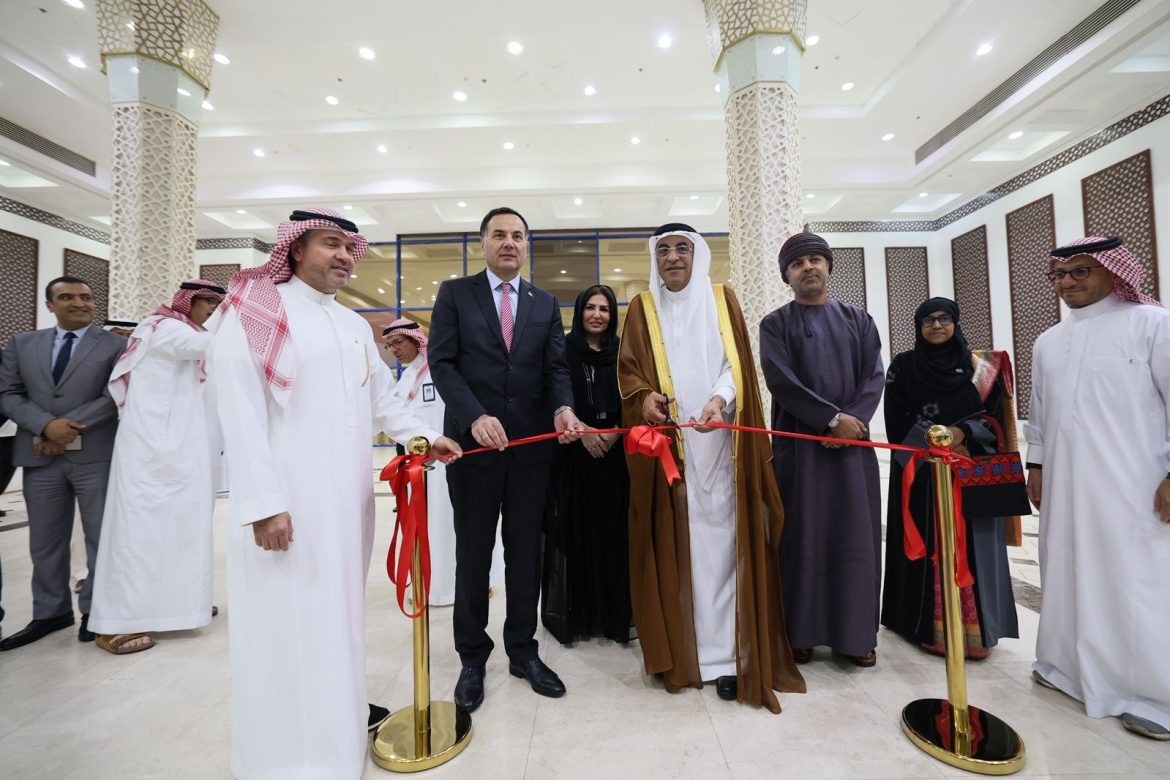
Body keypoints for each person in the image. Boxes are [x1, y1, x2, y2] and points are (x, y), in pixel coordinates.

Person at [211, 207, 462, 778]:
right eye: (331, 244)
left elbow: (383, 404)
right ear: (296, 249)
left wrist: (426, 438)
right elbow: (240, 417)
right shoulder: (252, 314)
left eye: (350, 247)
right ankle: (287, 759)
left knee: (336, 619)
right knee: (285, 625)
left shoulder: (351, 325)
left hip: (345, 507)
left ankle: (338, 731)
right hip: (287, 507)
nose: (345, 256)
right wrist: (264, 505)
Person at [618, 223, 805, 712]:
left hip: (721, 447)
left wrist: (720, 401)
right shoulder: (641, 307)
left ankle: (727, 657)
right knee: (681, 545)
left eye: (682, 248)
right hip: (670, 451)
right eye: (663, 250)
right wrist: (646, 398)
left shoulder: (723, 299)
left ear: (697, 254)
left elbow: (736, 367)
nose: (672, 257)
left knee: (724, 544)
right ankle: (688, 653)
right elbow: (631, 372)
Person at [428, 206, 582, 713]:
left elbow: (555, 369)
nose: (509, 242)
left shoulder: (544, 303)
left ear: (526, 244)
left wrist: (562, 408)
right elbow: (442, 363)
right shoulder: (456, 294)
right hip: (473, 452)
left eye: (518, 235)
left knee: (524, 556)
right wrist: (472, 415)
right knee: (473, 557)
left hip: (531, 454)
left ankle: (522, 650)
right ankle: (472, 658)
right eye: (500, 234)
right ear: (483, 242)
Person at [1025, 235, 1170, 741]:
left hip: (1133, 485)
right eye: (1061, 274)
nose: (1067, 282)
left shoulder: (1151, 325)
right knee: (1065, 568)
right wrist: (1036, 465)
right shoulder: (1049, 341)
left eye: (1081, 272)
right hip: (1066, 486)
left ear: (1113, 272)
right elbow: (1040, 413)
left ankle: (1152, 695)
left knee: (1134, 580)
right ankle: (1064, 666)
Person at [760, 232, 885, 667]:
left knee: (856, 538)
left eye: (815, 259)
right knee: (802, 536)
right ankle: (801, 632)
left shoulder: (859, 320)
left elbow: (874, 376)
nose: (808, 268)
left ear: (829, 266)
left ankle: (857, 635)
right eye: (797, 264)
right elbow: (781, 381)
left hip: (852, 450)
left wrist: (851, 423)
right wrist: (830, 419)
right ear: (787, 276)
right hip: (802, 452)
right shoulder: (775, 325)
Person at [88, 280, 226, 655]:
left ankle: (179, 606)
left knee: (181, 533)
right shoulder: (165, 328)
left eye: (218, 303)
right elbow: (208, 346)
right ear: (186, 302)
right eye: (208, 302)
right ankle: (115, 623)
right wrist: (247, 313)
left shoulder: (183, 330)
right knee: (137, 537)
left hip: (178, 455)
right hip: (151, 456)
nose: (214, 309)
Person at [881, 297, 1019, 660]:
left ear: (955, 322)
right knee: (928, 543)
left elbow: (994, 417)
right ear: (918, 326)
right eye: (928, 320)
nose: (936, 326)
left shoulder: (981, 367)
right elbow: (896, 415)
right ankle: (925, 628)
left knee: (974, 547)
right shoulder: (903, 366)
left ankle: (976, 632)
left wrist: (962, 435)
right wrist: (934, 442)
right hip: (922, 471)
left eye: (944, 319)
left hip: (971, 467)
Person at [0, 276, 126, 652]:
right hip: (39, 455)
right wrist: (45, 426)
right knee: (45, 540)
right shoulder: (22, 343)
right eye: (67, 297)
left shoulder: (117, 345)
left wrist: (66, 428)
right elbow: (8, 393)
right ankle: (50, 612)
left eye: (86, 297)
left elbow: (115, 392)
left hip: (96, 455)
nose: (79, 303)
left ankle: (96, 611)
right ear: (50, 305)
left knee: (100, 537)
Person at [381, 319, 505, 607]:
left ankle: (473, 584)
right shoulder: (406, 377)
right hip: (420, 470)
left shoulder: (443, 371)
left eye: (398, 342)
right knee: (427, 526)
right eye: (389, 346)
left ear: (416, 339)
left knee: (457, 525)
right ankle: (433, 586)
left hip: (450, 461)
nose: (394, 350)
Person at [541, 284, 632, 645]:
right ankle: (579, 616)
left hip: (614, 458)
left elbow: (633, 399)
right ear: (579, 312)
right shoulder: (561, 350)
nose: (597, 315)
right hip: (572, 458)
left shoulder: (623, 352)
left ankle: (612, 617)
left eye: (604, 309)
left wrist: (615, 432)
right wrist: (584, 433)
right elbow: (552, 395)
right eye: (590, 308)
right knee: (575, 534)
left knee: (613, 534)